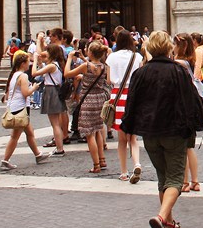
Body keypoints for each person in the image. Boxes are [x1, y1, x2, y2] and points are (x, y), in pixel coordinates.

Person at [120, 30, 203, 228]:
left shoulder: (140, 74)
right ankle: (160, 217)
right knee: (176, 180)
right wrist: (198, 122)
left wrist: (129, 127)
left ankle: (169, 222)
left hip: (150, 132)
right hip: (174, 131)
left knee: (162, 177)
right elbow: (192, 100)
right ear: (169, 47)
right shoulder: (178, 71)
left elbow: (131, 103)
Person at [64, 42, 111, 174]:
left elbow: (67, 73)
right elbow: (99, 73)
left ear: (90, 52)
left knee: (90, 134)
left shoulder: (86, 66)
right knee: (98, 129)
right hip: (100, 99)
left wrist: (69, 58)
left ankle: (96, 165)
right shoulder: (104, 66)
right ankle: (102, 160)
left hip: (88, 100)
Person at [0, 51, 49, 170]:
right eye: (28, 62)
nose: (29, 64)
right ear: (23, 63)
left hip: (17, 107)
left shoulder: (15, 75)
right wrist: (34, 88)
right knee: (15, 136)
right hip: (20, 108)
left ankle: (38, 155)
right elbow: (25, 93)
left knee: (30, 132)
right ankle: (5, 161)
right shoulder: (23, 76)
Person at [106, 30, 143, 182]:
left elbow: (109, 80)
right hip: (133, 95)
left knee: (121, 139)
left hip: (118, 96)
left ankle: (123, 172)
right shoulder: (137, 56)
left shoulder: (111, 57)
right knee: (133, 138)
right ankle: (137, 163)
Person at [172, 32, 203, 191]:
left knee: (181, 148)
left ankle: (184, 182)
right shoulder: (191, 61)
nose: (173, 47)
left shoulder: (178, 63)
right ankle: (195, 181)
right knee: (189, 147)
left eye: (175, 44)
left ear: (182, 46)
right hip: (191, 107)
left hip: (180, 108)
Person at [31, 44, 68, 155]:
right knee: (56, 123)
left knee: (55, 123)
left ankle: (60, 148)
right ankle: (59, 147)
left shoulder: (52, 66)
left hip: (51, 92)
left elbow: (34, 73)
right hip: (55, 91)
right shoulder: (57, 65)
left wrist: (35, 60)